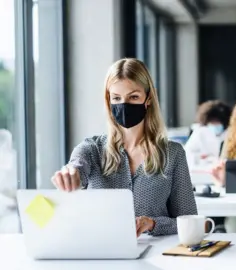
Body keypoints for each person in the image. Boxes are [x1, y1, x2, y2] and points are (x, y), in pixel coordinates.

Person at [51, 58, 197, 237]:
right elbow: (77, 166)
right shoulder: (91, 149)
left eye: (134, 97)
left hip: (156, 255)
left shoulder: (173, 153)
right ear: (109, 100)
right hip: (100, 252)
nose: (124, 104)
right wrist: (70, 173)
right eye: (117, 98)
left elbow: (189, 221)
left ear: (148, 98)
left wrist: (153, 224)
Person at [184, 100, 232, 166]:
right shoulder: (200, 132)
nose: (215, 125)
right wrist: (202, 158)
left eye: (217, 122)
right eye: (212, 122)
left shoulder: (231, 133)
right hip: (203, 170)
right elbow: (187, 153)